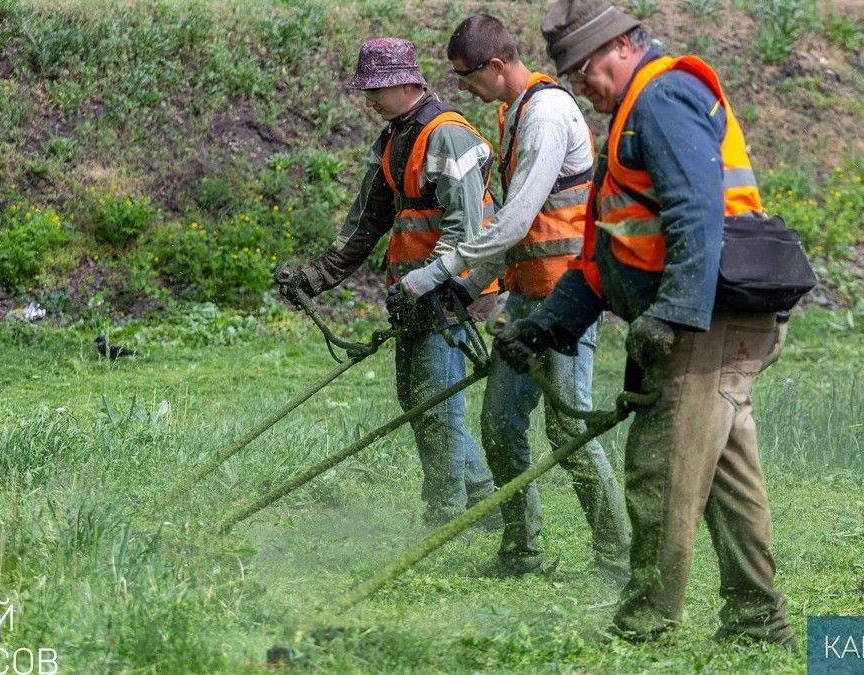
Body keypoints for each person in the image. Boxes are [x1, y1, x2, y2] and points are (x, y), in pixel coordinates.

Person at [492, 0, 797, 646]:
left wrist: (674, 312)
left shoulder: (660, 99)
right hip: (723, 315)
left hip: (708, 315)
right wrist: (546, 325)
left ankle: (643, 625)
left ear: (623, 46)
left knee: (660, 467)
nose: (581, 85)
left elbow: (696, 214)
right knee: (723, 473)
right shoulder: (636, 111)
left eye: (585, 69)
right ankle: (757, 619)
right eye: (571, 74)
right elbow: (609, 254)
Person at [395, 14, 630, 578]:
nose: (462, 90)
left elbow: (514, 218)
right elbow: (517, 230)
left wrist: (438, 271)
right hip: (527, 299)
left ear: (496, 65)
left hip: (569, 299)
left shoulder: (546, 113)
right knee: (499, 425)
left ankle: (617, 555)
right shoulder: (514, 112)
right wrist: (468, 284)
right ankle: (521, 551)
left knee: (569, 424)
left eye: (467, 77)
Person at [279, 38, 498, 528]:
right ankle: (486, 504)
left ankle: (445, 515)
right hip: (415, 294)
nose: (369, 99)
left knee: (436, 407)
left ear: (407, 83)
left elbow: (468, 231)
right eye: (366, 90)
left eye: (376, 88)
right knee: (419, 401)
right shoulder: (396, 138)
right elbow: (366, 223)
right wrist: (313, 279)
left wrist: (429, 282)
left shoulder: (448, 135)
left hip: (454, 293)